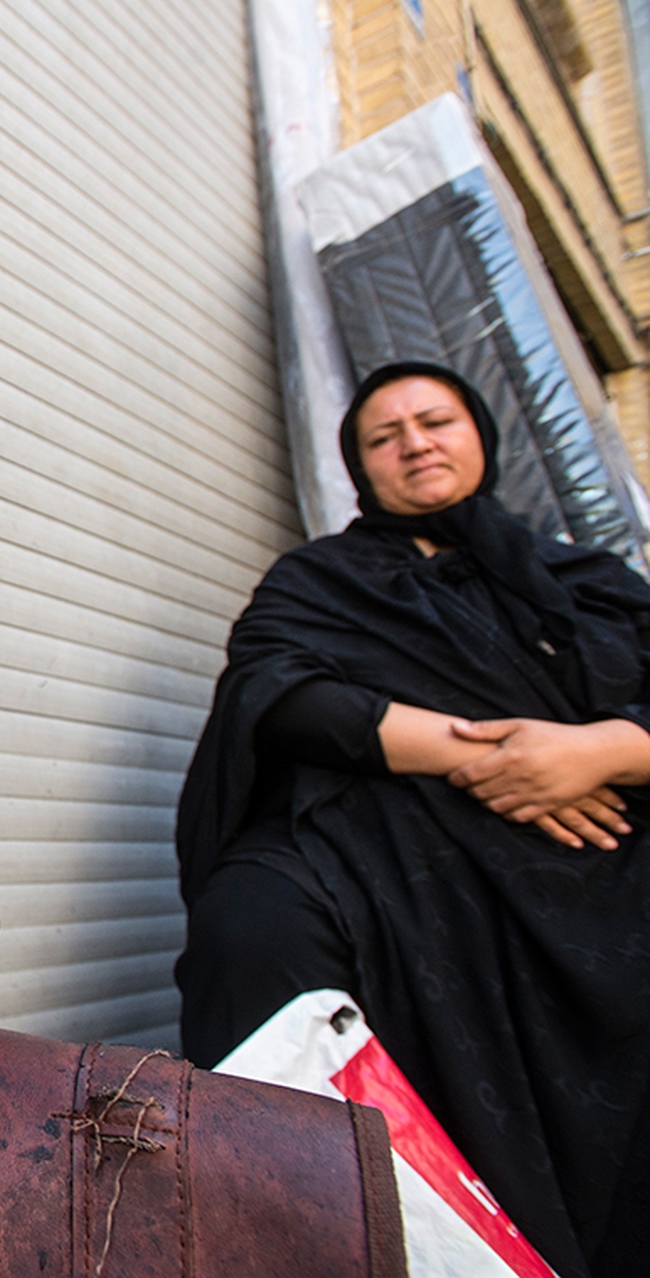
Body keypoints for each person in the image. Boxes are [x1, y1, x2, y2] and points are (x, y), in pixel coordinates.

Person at [175, 361, 650, 1278]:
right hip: (391, 845)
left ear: (482, 435)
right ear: (359, 467)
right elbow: (274, 697)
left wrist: (598, 753)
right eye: (383, 437)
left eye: (435, 421)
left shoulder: (588, 581)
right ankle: (295, 1239)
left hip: (590, 855)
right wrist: (484, 755)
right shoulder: (321, 578)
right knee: (250, 922)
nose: (414, 444)